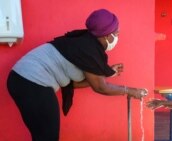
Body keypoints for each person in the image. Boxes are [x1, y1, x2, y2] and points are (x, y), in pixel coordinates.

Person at [7, 9, 148, 141]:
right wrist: (130, 91)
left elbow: (76, 83)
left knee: (43, 135)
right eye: (116, 34)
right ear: (107, 35)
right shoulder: (89, 50)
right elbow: (100, 87)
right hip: (31, 81)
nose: (117, 37)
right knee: (47, 136)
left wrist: (107, 75)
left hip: (22, 80)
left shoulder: (86, 44)